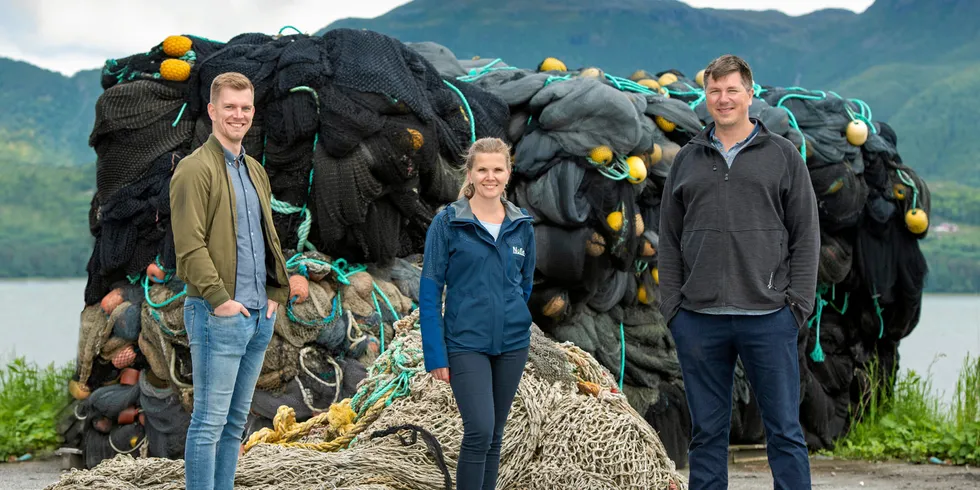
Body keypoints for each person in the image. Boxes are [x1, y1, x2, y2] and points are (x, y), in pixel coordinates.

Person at [658, 54, 819, 490]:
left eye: (732, 90)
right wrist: (674, 308)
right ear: (705, 97)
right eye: (714, 91)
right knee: (707, 434)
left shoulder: (783, 156)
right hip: (699, 319)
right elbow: (668, 239)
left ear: (751, 94)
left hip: (769, 318)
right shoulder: (688, 159)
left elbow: (806, 235)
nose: (723, 99)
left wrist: (796, 307)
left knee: (784, 431)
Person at [170, 71, 290, 490]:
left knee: (236, 421)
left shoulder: (254, 169)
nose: (238, 115)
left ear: (252, 112)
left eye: (245, 108)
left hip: (258, 314)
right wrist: (221, 301)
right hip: (217, 313)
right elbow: (188, 246)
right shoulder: (193, 169)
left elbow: (266, 235)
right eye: (229, 107)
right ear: (212, 111)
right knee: (208, 422)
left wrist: (275, 294)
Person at [419, 137, 536, 490]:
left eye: (497, 169)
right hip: (465, 343)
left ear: (508, 173)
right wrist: (435, 354)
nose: (490, 176)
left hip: (513, 344)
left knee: (496, 434)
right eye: (482, 169)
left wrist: (514, 316)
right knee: (479, 430)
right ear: (469, 174)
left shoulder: (521, 225)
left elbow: (524, 284)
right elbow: (429, 293)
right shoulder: (448, 223)